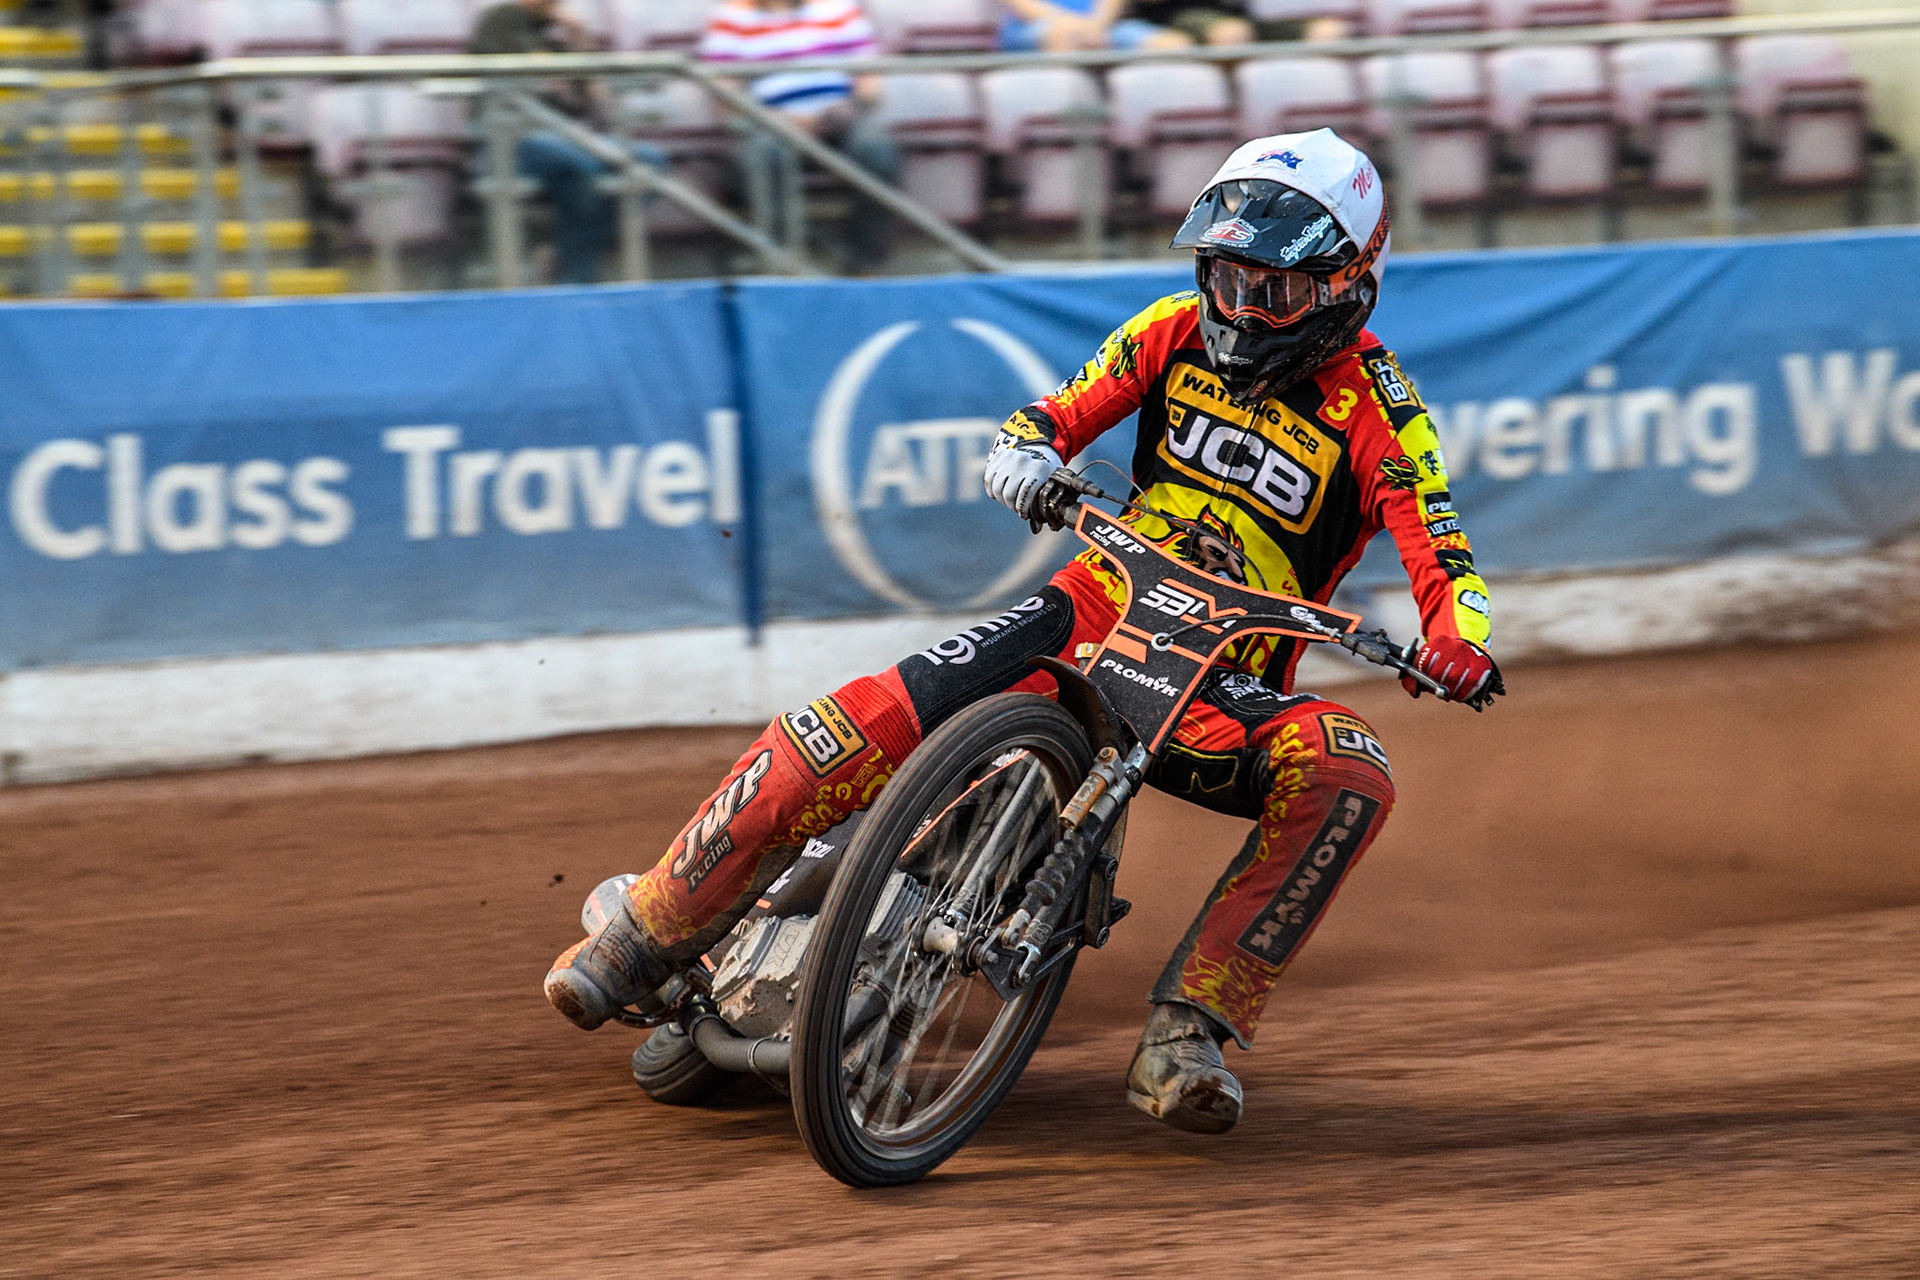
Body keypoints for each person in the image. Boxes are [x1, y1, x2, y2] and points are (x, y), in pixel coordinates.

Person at [545, 129, 1504, 1134]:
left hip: (1217, 686)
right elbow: (1054, 413)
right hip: (1091, 609)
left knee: (1352, 769)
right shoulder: (1168, 333)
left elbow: (1445, 550)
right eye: (1225, 279)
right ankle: (645, 931)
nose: (1240, 310)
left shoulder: (1385, 414)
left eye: (1275, 293)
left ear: (1351, 283)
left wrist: (1458, 640)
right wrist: (1027, 446)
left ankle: (1191, 1028)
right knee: (856, 719)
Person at [700, 0, 900, 271]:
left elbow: (871, 79)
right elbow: (724, 94)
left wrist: (850, 109)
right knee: (761, 157)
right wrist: (770, 119)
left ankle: (865, 265)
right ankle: (784, 267)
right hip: (770, 123)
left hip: (840, 117)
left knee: (877, 150)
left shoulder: (838, 8)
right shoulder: (732, 17)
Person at [468, 0, 658, 284]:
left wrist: (580, 41)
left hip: (569, 137)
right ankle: (575, 274)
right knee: (575, 163)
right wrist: (559, 68)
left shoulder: (559, 34)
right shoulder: (501, 18)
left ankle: (566, 254)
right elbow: (538, 76)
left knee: (649, 161)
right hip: (508, 140)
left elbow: (595, 99)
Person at [998, 0, 1189, 52]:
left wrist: (1097, 24)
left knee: (1174, 44)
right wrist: (1075, 25)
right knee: (1065, 35)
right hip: (1032, 27)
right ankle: (1072, 119)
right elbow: (1023, 5)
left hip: (1101, 26)